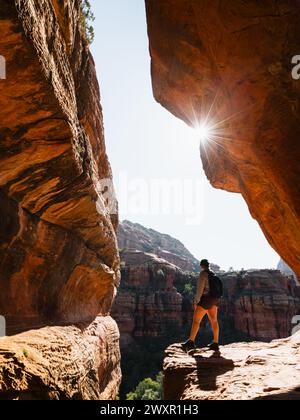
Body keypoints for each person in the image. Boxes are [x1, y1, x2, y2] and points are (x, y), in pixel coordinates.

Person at [182, 259, 221, 353]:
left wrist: (196, 301)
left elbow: (200, 289)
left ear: (201, 266)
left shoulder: (203, 274)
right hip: (215, 300)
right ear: (208, 265)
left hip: (205, 300)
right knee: (214, 321)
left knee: (196, 321)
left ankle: (191, 342)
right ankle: (215, 343)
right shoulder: (213, 274)